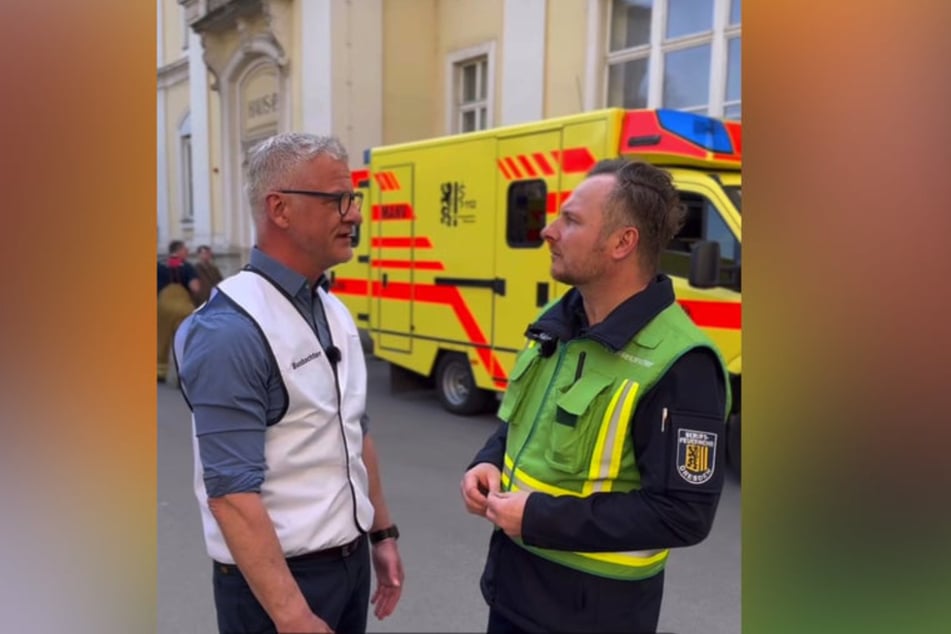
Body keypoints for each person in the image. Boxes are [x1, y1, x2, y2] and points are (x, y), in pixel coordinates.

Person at [460, 159, 730, 633]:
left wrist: (539, 517)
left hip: (592, 615)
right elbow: (524, 420)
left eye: (571, 220)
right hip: (512, 590)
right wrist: (488, 459)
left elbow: (683, 515)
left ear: (623, 242)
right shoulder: (560, 320)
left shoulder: (681, 362)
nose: (548, 231)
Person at [173, 133, 404, 634]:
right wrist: (291, 614)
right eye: (338, 200)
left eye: (355, 198)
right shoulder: (230, 331)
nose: (355, 214)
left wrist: (381, 533)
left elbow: (353, 430)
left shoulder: (332, 310)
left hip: (348, 565)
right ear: (279, 208)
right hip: (276, 587)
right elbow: (231, 494)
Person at [157, 240, 201, 382]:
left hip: (162, 305)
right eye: (185, 249)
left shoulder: (159, 265)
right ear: (179, 250)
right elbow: (195, 287)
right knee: (186, 337)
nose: (187, 252)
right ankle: (185, 371)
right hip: (183, 306)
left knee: (161, 339)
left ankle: (160, 372)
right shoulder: (186, 266)